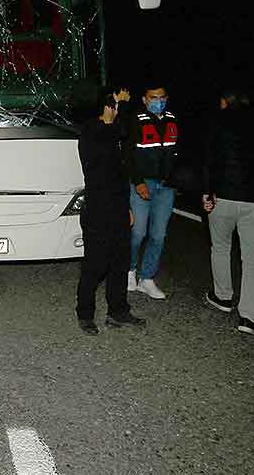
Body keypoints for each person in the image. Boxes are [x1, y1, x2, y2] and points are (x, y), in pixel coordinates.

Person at [201, 90, 254, 336]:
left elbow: (209, 160)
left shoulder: (218, 121)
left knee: (221, 246)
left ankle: (223, 297)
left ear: (225, 101)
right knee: (253, 260)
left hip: (223, 196)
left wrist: (207, 192)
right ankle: (248, 317)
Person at [76, 86, 146, 336]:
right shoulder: (90, 131)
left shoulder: (115, 134)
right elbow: (113, 136)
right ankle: (85, 314)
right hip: (97, 209)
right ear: (107, 107)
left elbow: (120, 172)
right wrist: (118, 108)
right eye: (116, 105)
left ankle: (118, 311)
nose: (118, 111)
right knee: (95, 265)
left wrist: (126, 207)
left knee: (120, 263)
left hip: (118, 207)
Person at [124, 84, 178, 300]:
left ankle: (147, 278)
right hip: (142, 183)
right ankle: (129, 270)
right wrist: (137, 182)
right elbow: (127, 154)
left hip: (166, 186)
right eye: (153, 97)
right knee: (138, 232)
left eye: (162, 96)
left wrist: (177, 178)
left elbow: (177, 152)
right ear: (144, 100)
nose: (158, 100)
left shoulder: (173, 119)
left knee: (159, 234)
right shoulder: (135, 120)